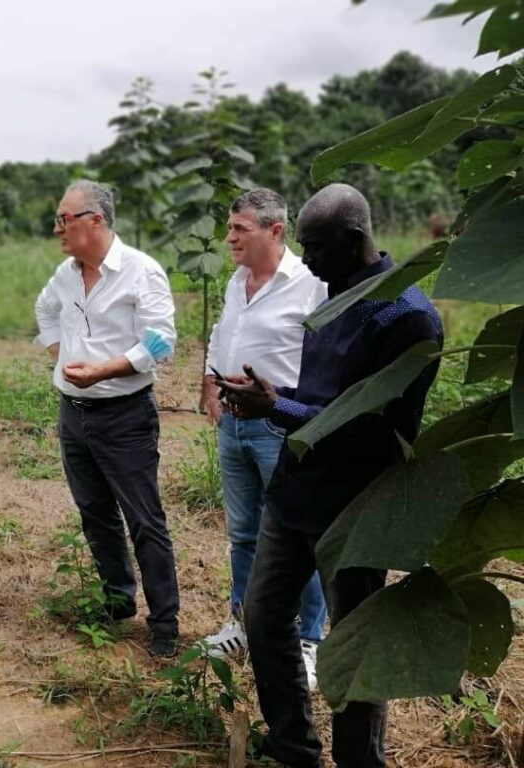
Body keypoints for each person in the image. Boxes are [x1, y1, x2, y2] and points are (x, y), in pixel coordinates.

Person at [218, 183, 443, 768]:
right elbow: (321, 397)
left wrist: (278, 408)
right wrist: (272, 397)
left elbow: (368, 424)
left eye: (314, 247)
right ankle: (296, 751)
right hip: (293, 494)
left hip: (356, 508)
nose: (306, 258)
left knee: (353, 649)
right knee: (263, 620)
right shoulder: (331, 296)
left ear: (352, 240)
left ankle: (357, 761)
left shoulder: (409, 320)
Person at [35, 180, 180, 657]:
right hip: (73, 415)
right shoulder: (65, 274)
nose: (57, 228)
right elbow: (45, 309)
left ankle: (164, 623)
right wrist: (61, 356)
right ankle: (118, 600)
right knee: (95, 514)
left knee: (144, 519)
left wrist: (104, 370)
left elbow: (161, 341)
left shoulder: (140, 271)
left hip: (124, 414)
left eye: (64, 219)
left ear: (95, 221)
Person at [201, 189, 328, 687]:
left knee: (299, 535)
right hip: (234, 424)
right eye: (229, 228)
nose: (229, 237)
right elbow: (222, 333)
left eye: (240, 229)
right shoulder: (237, 281)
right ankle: (244, 621)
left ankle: (308, 638)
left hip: (281, 425)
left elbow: (326, 353)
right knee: (245, 533)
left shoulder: (310, 285)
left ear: (275, 232)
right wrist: (212, 379)